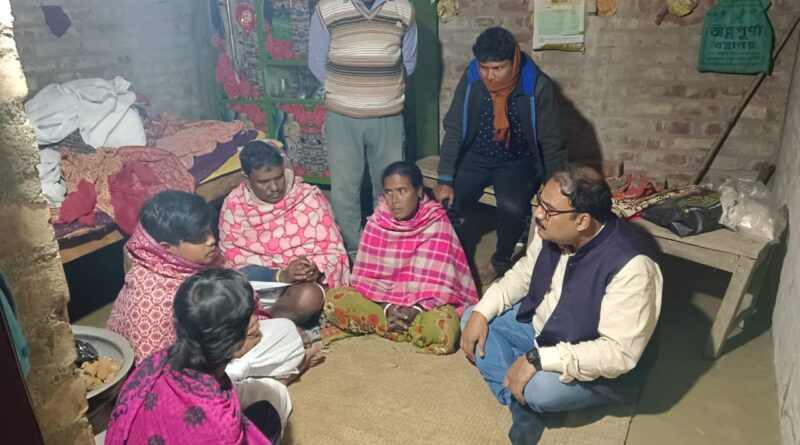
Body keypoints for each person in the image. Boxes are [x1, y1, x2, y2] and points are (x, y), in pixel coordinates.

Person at [459, 165, 662, 444]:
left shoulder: (633, 266)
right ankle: (519, 403)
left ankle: (527, 394)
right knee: (472, 318)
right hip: (543, 328)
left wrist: (537, 359)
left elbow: (618, 354)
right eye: (540, 203)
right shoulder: (552, 229)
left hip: (591, 358)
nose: (538, 214)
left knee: (540, 390)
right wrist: (483, 312)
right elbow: (524, 273)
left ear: (582, 221)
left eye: (549, 210)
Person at [106, 191, 321, 428]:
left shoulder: (204, 257)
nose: (211, 240)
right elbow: (163, 382)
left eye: (209, 230)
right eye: (199, 237)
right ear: (167, 247)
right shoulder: (149, 299)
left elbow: (242, 300)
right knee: (277, 397)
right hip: (192, 381)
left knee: (286, 331)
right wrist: (235, 348)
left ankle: (255, 376)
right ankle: (263, 379)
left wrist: (247, 325)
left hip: (224, 352)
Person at [434, 27, 567, 286]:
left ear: (513, 60)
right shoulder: (472, 78)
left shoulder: (536, 85)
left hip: (516, 161)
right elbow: (454, 127)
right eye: (484, 67)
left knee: (513, 209)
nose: (490, 75)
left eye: (497, 68)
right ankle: (448, 256)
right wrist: (445, 178)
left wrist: (553, 188)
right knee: (448, 203)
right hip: (476, 155)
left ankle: (499, 261)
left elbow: (553, 141)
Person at [106, 269, 280, 445]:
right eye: (249, 316)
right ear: (237, 341)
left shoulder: (154, 362)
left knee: (264, 411)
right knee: (269, 416)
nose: (256, 319)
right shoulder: (222, 426)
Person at [324, 161, 478, 354]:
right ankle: (400, 327)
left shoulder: (436, 222)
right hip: (381, 304)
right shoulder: (377, 222)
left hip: (423, 307)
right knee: (335, 299)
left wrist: (418, 309)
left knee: (444, 328)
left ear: (419, 191)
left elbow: (442, 284)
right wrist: (387, 307)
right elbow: (365, 280)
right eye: (388, 192)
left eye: (402, 191)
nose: (394, 200)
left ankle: (388, 326)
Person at [308, 0, 417, 261]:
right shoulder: (328, 9)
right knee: (345, 190)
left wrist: (383, 93)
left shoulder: (403, 9)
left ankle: (387, 244)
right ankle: (355, 252)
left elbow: (410, 62)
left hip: (388, 116)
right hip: (342, 117)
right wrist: (344, 91)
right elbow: (316, 62)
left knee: (391, 186)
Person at [219, 140, 350, 308]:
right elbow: (232, 264)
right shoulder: (234, 206)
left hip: (302, 288)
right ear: (247, 180)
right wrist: (280, 276)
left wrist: (315, 270)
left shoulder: (307, 198)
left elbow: (334, 251)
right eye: (264, 182)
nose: (274, 187)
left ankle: (269, 317)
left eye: (279, 177)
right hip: (257, 287)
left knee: (308, 296)